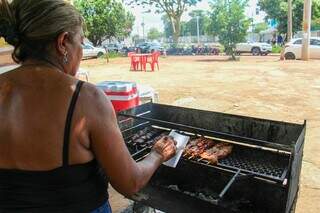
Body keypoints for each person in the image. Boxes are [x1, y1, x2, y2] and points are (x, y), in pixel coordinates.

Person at [0, 0, 177, 212]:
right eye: (81, 42)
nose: (82, 52)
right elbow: (130, 183)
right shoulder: (86, 99)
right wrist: (157, 154)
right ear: (63, 42)